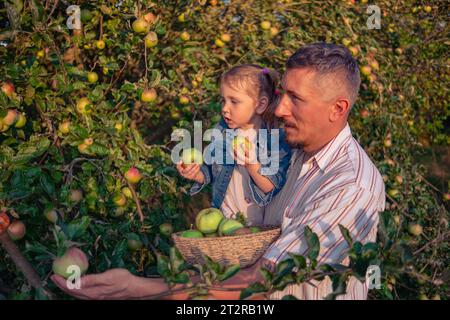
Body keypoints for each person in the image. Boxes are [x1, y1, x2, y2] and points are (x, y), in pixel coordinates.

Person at [52, 43, 385, 300]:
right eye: (282, 94)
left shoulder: (349, 185)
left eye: (296, 99)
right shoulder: (293, 148)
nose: (281, 108)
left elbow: (263, 280)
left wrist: (140, 289)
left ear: (337, 109)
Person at [176, 64, 292, 225]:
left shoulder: (276, 140)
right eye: (223, 100)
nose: (224, 108)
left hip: (261, 228)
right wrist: (196, 174)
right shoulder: (223, 132)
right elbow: (211, 170)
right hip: (225, 221)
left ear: (260, 105)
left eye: (234, 102)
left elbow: (272, 187)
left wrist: (252, 164)